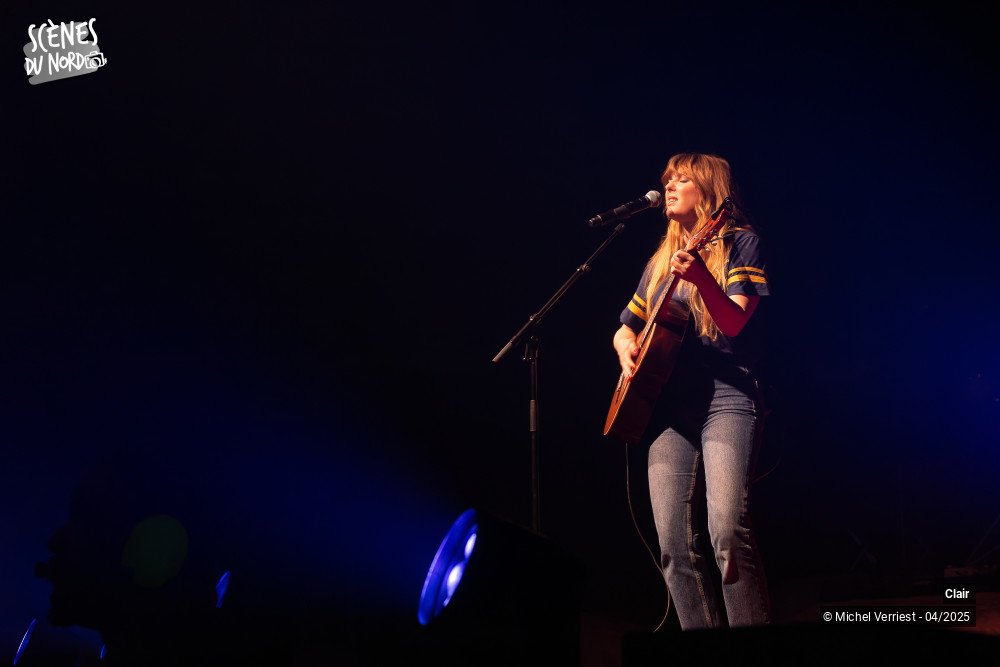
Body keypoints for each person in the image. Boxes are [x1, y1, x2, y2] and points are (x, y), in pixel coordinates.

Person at [612, 152, 771, 629]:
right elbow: (625, 327)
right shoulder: (660, 261)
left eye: (683, 179)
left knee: (725, 531)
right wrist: (625, 349)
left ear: (710, 191)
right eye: (669, 180)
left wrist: (701, 275)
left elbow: (735, 322)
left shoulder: (741, 243)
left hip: (726, 397)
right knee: (672, 546)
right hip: (668, 405)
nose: (671, 186)